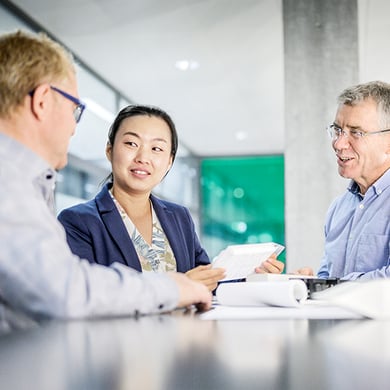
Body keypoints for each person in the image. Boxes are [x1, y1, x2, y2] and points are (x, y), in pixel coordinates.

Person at [0, 29, 212, 320]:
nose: (74, 128)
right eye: (75, 110)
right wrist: (173, 287)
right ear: (43, 101)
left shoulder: (25, 180)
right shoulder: (10, 182)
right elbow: (66, 291)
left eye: (157, 149)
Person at [58, 104, 226, 291]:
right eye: (131, 144)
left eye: (156, 148)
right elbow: (85, 293)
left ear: (169, 161)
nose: (143, 157)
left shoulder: (180, 217)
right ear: (109, 150)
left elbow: (208, 281)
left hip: (185, 322)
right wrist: (177, 288)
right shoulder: (78, 222)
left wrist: (253, 276)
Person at [261, 80, 390, 280]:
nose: (338, 143)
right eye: (338, 130)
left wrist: (331, 287)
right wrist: (310, 283)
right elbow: (328, 276)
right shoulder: (339, 209)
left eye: (356, 132)